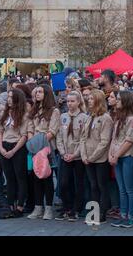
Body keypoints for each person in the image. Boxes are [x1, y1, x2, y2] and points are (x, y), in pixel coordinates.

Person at [80, 89, 114, 225]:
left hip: (99, 159)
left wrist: (92, 157)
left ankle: (102, 213)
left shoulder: (106, 118)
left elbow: (104, 141)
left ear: (99, 101)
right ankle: (94, 213)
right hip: (87, 157)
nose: (89, 101)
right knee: (93, 185)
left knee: (101, 185)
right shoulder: (89, 117)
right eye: (88, 99)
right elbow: (82, 137)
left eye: (92, 99)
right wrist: (84, 155)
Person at [27, 84, 60, 220]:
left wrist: (39, 143)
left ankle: (48, 209)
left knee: (47, 178)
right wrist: (32, 144)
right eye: (36, 92)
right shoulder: (34, 110)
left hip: (47, 148)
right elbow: (30, 128)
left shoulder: (54, 111)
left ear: (46, 94)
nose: (37, 94)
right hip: (34, 147)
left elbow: (52, 131)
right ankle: (37, 207)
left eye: (40, 92)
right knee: (36, 178)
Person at [0, 88, 32, 217]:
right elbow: (0, 131)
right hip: (5, 145)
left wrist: (13, 150)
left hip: (18, 147)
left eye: (12, 97)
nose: (9, 99)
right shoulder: (6, 113)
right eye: (8, 97)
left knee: (20, 177)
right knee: (9, 177)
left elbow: (24, 136)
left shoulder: (24, 115)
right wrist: (1, 147)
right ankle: (10, 204)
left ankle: (20, 206)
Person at [55, 91, 89, 221]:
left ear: (79, 102)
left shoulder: (84, 118)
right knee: (63, 183)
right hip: (65, 155)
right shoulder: (63, 116)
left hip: (78, 156)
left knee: (78, 183)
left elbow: (83, 139)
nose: (69, 104)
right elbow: (59, 136)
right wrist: (63, 153)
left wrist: (75, 154)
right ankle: (66, 207)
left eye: (72, 101)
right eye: (68, 101)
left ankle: (75, 209)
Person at [109, 90, 133, 228]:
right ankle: (123, 215)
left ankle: (131, 217)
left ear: (126, 101)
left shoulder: (132, 119)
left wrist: (116, 155)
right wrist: (111, 154)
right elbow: (114, 138)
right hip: (117, 157)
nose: (117, 101)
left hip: (127, 157)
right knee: (121, 188)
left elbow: (129, 140)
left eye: (120, 99)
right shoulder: (118, 118)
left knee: (129, 189)